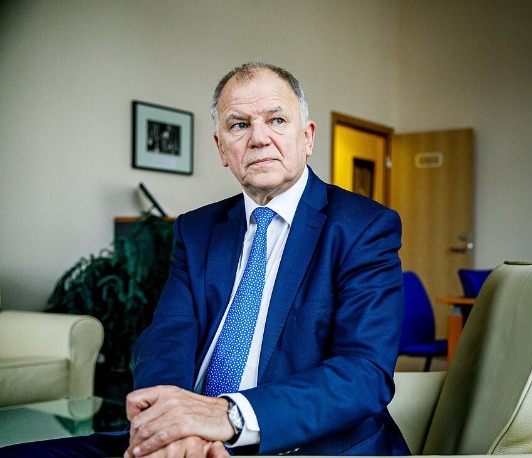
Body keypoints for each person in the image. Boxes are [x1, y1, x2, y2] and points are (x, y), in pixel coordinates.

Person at [0, 62, 409, 457]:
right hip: (184, 442)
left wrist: (226, 416)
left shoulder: (364, 227)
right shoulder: (197, 229)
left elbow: (363, 373)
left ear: (308, 137)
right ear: (221, 148)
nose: (259, 138)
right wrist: (171, 424)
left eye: (277, 120)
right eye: (239, 125)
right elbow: (168, 335)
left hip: (299, 444)